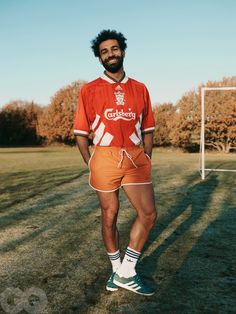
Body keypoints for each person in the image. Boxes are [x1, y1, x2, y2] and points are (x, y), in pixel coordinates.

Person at [74, 29, 157, 296]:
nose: (110, 54)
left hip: (134, 157)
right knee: (109, 215)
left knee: (148, 214)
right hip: (105, 157)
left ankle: (126, 271)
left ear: (123, 51)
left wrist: (146, 154)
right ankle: (116, 268)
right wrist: (91, 162)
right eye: (104, 52)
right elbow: (80, 133)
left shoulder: (140, 88)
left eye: (114, 49)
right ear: (99, 59)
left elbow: (148, 127)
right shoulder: (89, 90)